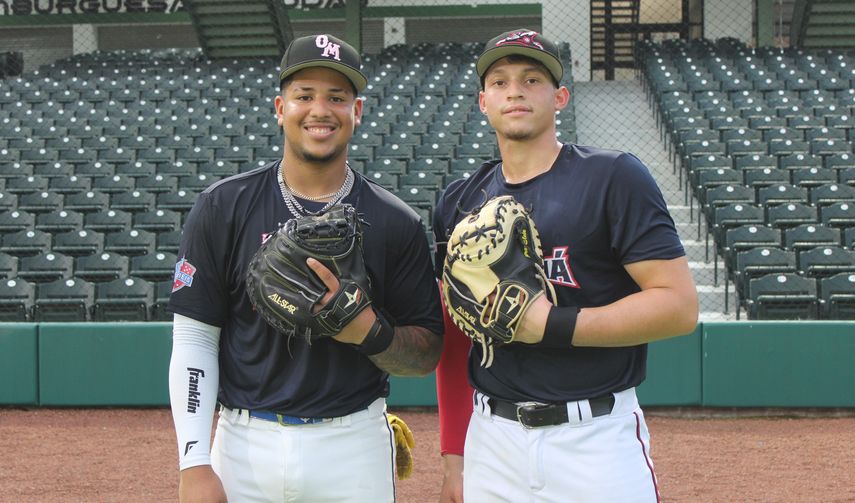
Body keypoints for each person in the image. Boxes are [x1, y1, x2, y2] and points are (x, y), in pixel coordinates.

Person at [167, 33, 444, 503]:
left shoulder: (396, 222)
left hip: (352, 444)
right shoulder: (222, 207)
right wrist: (194, 461)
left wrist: (369, 331)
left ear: (357, 112)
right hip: (243, 442)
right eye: (304, 96)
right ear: (280, 108)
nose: (320, 110)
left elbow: (425, 354)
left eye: (337, 97)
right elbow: (195, 340)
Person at [433, 29, 699, 502]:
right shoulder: (459, 202)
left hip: (594, 438)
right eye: (500, 81)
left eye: (532, 79)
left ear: (560, 97)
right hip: (492, 439)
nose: (515, 90)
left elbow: (678, 307)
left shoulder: (613, 177)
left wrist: (551, 324)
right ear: (482, 101)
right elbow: (457, 334)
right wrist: (455, 453)